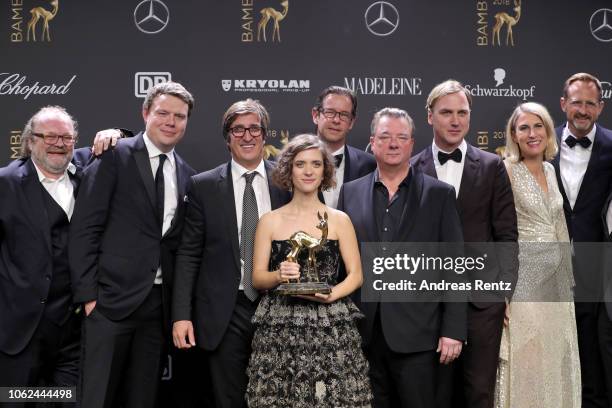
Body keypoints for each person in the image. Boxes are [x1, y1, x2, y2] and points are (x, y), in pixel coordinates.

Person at [69, 81, 196, 408]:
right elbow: (85, 227)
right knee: (97, 399)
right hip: (109, 305)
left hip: (156, 309)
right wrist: (88, 298)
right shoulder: (114, 155)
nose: (171, 122)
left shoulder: (185, 174)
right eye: (163, 113)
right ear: (145, 113)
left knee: (142, 399)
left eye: (179, 116)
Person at [338, 107, 466, 408]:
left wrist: (453, 330)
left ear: (411, 144)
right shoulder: (350, 192)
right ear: (373, 142)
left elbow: (454, 266)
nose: (393, 143)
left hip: (419, 335)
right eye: (385, 137)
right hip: (363, 332)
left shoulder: (439, 194)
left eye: (401, 137)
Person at [172, 99, 291, 408]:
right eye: (238, 129)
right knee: (229, 399)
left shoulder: (287, 182)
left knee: (278, 397)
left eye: (254, 128)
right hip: (225, 312)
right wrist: (182, 315)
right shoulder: (203, 186)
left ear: (265, 135)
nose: (247, 136)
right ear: (227, 137)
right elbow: (188, 255)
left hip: (280, 306)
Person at [411, 79, 518, 408]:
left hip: (481, 304)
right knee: (434, 395)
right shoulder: (412, 169)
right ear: (430, 116)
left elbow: (506, 234)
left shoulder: (491, 166)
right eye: (446, 112)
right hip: (426, 304)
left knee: (478, 393)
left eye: (462, 112)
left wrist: (503, 292)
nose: (455, 120)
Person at [244, 134, 372, 407]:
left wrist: (332, 294)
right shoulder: (269, 220)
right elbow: (256, 278)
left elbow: (356, 275)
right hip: (280, 325)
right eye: (300, 164)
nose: (308, 171)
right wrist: (279, 275)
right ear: (288, 169)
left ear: (325, 170)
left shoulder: (339, 220)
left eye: (316, 164)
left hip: (330, 323)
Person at [0, 106, 92, 407]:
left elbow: (125, 146)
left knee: (66, 401)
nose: (59, 143)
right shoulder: (6, 183)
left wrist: (118, 133)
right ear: (30, 141)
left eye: (66, 137)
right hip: (20, 333)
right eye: (50, 136)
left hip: (73, 333)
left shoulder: (87, 177)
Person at [495, 102, 581, 407]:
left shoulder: (549, 168)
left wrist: (568, 280)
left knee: (556, 355)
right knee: (527, 356)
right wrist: (502, 291)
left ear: (547, 130)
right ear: (514, 136)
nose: (532, 134)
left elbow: (559, 224)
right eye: (524, 128)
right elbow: (499, 232)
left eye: (538, 126)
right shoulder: (505, 170)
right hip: (523, 281)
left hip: (556, 283)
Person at [552, 72, 612, 408]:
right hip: (551, 264)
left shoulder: (611, 146)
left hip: (596, 266)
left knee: (590, 346)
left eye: (591, 103)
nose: (583, 110)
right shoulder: (541, 142)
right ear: (563, 104)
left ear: (600, 108)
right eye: (577, 102)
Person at [312, 86, 376, 208]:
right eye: (330, 112)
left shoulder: (370, 166)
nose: (336, 120)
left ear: (351, 122)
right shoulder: (293, 163)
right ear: (316, 116)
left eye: (344, 115)